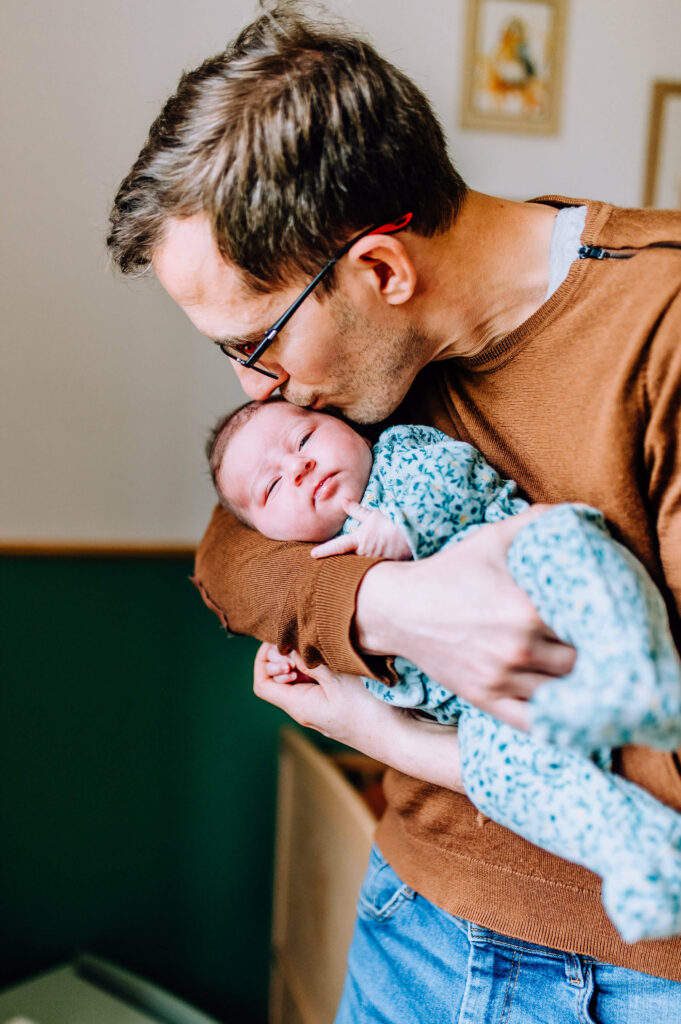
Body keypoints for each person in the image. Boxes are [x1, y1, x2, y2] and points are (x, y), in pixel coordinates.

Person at [107, 3, 681, 1018]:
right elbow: (234, 553)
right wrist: (391, 605)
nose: (254, 389)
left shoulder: (660, 327)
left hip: (645, 968)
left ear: (380, 268)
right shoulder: (358, 380)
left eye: (254, 342)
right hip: (413, 926)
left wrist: (395, 731)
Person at [207, 394, 681, 942]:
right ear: (271, 536)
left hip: (532, 573)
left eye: (305, 439)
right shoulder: (313, 563)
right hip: (500, 704)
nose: (299, 466)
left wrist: (402, 531)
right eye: (271, 487)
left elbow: (457, 481)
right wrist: (312, 662)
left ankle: (640, 679)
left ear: (349, 428)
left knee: (562, 541)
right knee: (494, 768)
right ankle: (636, 850)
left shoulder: (399, 454)